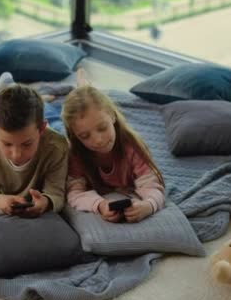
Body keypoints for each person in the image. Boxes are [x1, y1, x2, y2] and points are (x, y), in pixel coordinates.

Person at [61, 85, 165, 223]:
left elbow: (153, 186)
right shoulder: (75, 153)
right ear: (75, 136)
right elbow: (74, 192)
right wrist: (100, 205)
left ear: (112, 115)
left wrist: (148, 205)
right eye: (85, 136)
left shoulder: (132, 147)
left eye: (102, 128)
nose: (98, 140)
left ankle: (82, 82)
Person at [0, 84, 69, 217]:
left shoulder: (57, 147)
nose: (16, 155)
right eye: (7, 144)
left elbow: (56, 193)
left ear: (41, 129)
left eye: (27, 144)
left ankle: (42, 99)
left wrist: (45, 202)